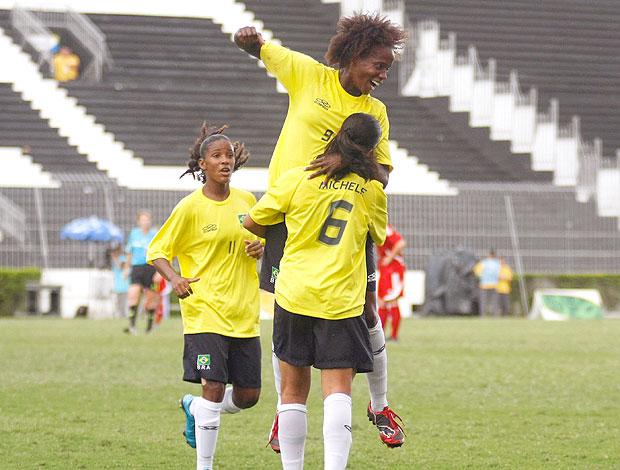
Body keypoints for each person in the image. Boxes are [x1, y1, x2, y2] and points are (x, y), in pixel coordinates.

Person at [234, 12, 407, 449]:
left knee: (367, 311)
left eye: (388, 68)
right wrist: (248, 39)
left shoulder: (375, 112)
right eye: (378, 65)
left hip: (348, 220)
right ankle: (284, 410)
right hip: (289, 215)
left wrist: (345, 160)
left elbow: (383, 174)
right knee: (284, 315)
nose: (383, 74)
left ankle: (380, 405)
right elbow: (261, 50)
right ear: (354, 55)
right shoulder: (309, 76)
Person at [243, 113, 388, 470]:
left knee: (292, 392)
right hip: (340, 299)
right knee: (338, 391)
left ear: (338, 136)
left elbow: (252, 222)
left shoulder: (298, 178)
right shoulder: (372, 191)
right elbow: (377, 237)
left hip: (294, 294)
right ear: (371, 151)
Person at [147, 123, 263, 470]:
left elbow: (261, 241)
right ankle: (205, 465)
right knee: (212, 385)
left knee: (248, 397)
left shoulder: (247, 201)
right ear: (202, 164)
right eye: (217, 156)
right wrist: (175, 278)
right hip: (204, 311)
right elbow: (157, 251)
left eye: (229, 155)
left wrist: (260, 247)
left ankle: (194, 408)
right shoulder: (190, 207)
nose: (225, 160)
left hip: (244, 313)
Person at [123, 211, 159, 334]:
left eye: (147, 219)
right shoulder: (134, 234)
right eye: (143, 220)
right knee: (133, 295)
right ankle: (132, 325)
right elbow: (129, 252)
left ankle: (149, 327)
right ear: (139, 222)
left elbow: (160, 253)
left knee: (150, 299)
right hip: (136, 268)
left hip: (151, 268)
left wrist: (159, 272)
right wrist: (126, 269)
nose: (145, 222)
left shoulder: (155, 235)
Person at [377, 223, 407, 341]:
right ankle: (381, 335)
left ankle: (394, 335)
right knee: (381, 301)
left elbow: (401, 243)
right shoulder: (376, 226)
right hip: (385, 269)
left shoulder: (385, 227)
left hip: (393, 268)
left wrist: (390, 257)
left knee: (392, 299)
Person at [473, 250, 501, 317]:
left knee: (483, 301)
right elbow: (500, 273)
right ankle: (494, 315)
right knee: (494, 301)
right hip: (494, 284)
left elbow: (476, 271)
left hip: (484, 284)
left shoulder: (484, 263)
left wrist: (481, 276)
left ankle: (483, 315)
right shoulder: (497, 263)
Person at [108, 244, 129, 318]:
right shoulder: (115, 260)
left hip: (124, 285)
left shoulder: (123, 258)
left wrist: (114, 258)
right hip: (117, 286)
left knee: (124, 303)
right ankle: (119, 316)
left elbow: (120, 266)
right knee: (118, 303)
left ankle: (124, 316)